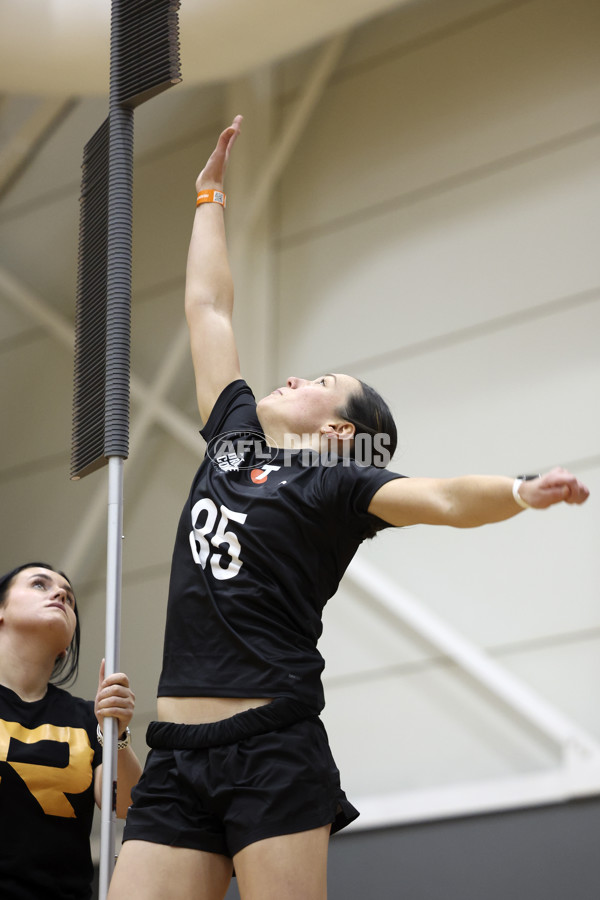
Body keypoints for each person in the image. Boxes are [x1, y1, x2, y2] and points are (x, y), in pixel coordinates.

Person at [107, 116, 590, 900]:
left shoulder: (338, 486)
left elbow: (437, 497)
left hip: (272, 747)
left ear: (337, 431)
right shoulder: (231, 437)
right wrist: (208, 194)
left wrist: (520, 491)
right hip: (175, 755)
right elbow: (208, 307)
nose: (295, 377)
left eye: (321, 383)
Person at [0, 561, 143, 900]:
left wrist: (117, 734)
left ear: (66, 646)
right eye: (39, 584)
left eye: (70, 599)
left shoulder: (87, 719)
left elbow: (129, 805)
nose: (61, 593)